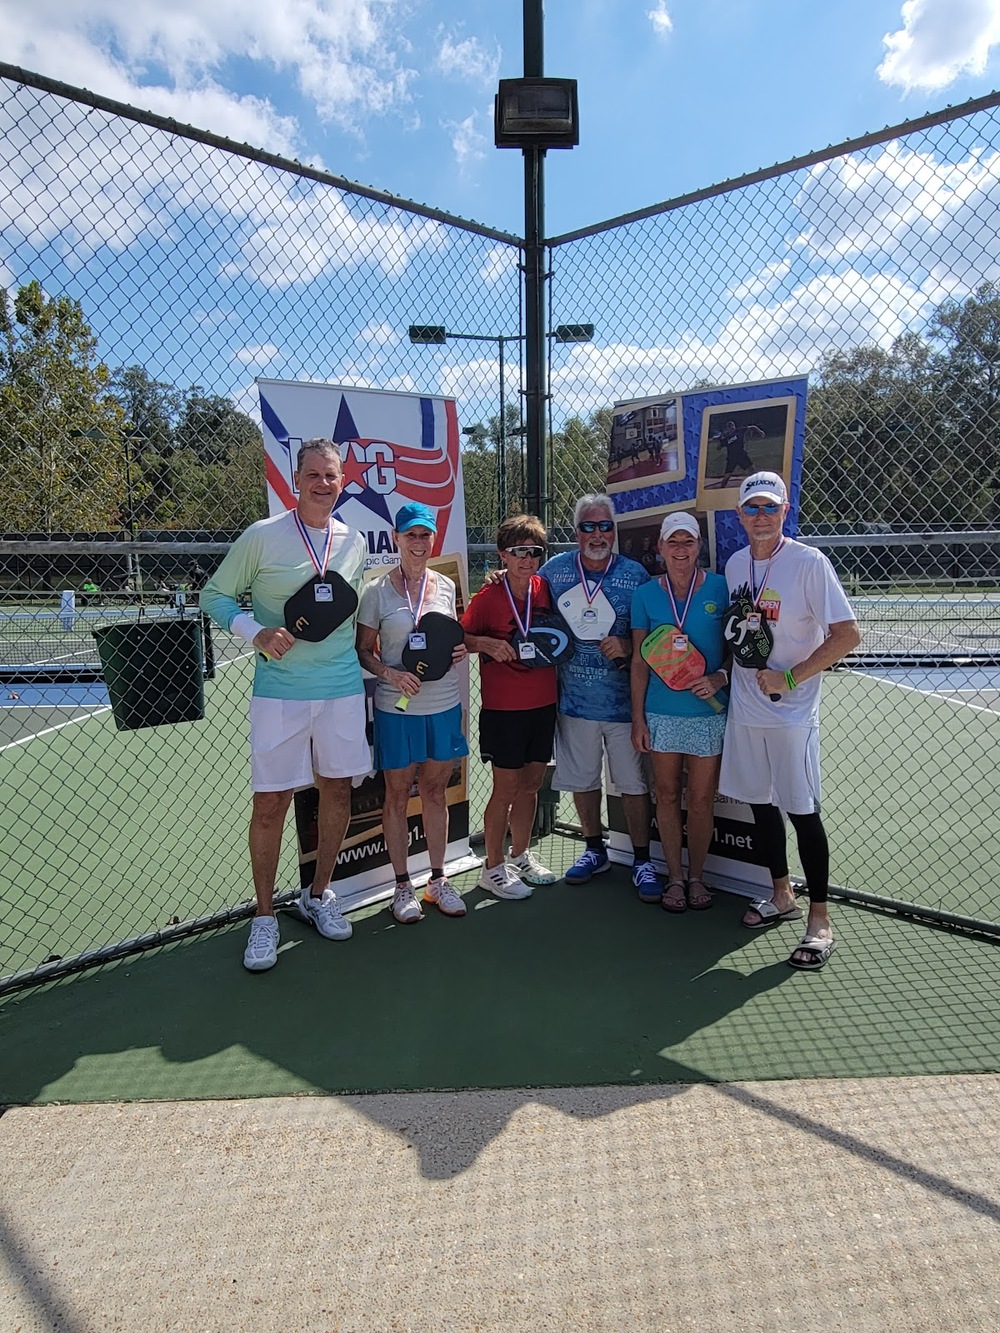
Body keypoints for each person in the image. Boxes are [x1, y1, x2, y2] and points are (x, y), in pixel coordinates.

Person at [201, 438, 370, 972]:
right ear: (295, 480)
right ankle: (265, 917)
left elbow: (347, 610)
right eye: (314, 474)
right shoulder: (263, 536)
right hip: (279, 694)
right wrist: (253, 631)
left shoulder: (354, 541)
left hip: (342, 687)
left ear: (343, 481)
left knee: (337, 791)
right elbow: (215, 596)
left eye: (333, 475)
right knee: (271, 803)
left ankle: (318, 895)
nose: (324, 483)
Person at [719, 471, 861, 970]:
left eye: (769, 508)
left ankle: (820, 919)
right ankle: (781, 894)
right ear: (739, 516)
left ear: (785, 512)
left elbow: (847, 635)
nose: (760, 517)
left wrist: (791, 678)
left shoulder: (808, 563)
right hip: (743, 710)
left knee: (802, 812)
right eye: (751, 509)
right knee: (759, 807)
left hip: (791, 714)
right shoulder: (735, 564)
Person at [356, 502, 469, 925]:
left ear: (432, 539)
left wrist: (458, 650)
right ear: (396, 539)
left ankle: (438, 880)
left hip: (442, 705)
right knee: (398, 796)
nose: (419, 543)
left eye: (425, 535)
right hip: (395, 708)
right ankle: (402, 886)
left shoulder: (444, 586)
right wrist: (389, 673)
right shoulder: (376, 592)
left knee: (436, 791)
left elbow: (449, 640)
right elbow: (364, 651)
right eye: (411, 535)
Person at [538, 494, 655, 898]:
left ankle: (642, 859)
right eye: (589, 526)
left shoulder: (636, 575)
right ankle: (594, 848)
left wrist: (626, 646)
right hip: (573, 701)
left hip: (625, 704)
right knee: (583, 779)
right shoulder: (553, 572)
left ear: (614, 531)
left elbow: (652, 636)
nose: (598, 534)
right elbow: (527, 608)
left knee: (633, 783)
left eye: (605, 526)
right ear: (576, 532)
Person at [630, 513, 729, 911]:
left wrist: (720, 677)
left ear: (699, 546)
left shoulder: (722, 589)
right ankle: (674, 878)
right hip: (661, 713)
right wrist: (638, 718)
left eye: (688, 542)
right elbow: (639, 661)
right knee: (667, 796)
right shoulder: (645, 595)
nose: (681, 550)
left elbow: (742, 649)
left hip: (709, 712)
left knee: (702, 800)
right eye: (673, 542)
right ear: (660, 548)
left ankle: (698, 877)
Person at [462, 514, 558, 899]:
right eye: (519, 551)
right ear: (504, 554)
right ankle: (493, 867)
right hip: (504, 708)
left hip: (544, 702)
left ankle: (520, 856)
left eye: (534, 552)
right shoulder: (489, 596)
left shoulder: (546, 589)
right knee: (506, 788)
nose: (527, 559)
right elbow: (462, 636)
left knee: (532, 785)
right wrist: (486, 644)